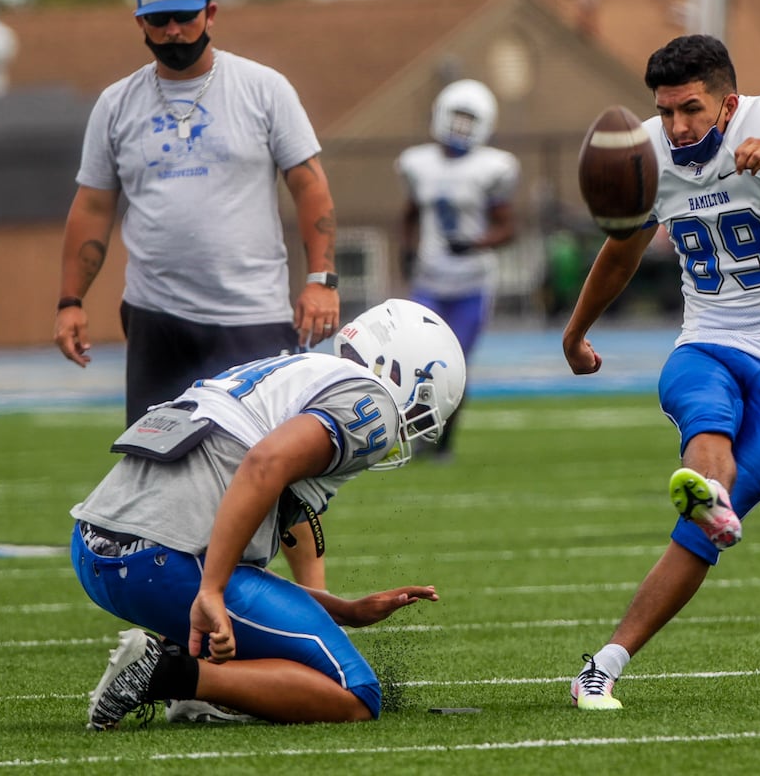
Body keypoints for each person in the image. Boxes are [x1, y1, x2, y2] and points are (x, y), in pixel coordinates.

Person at [562, 34, 760, 710]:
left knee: (700, 537)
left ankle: (605, 660)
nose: (678, 126)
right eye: (666, 111)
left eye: (691, 109)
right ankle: (710, 494)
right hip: (708, 340)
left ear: (729, 102)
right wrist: (576, 330)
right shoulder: (651, 152)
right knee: (703, 414)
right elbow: (622, 249)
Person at [53, 0, 340, 586]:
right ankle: (168, 613)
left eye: (186, 15)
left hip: (252, 312)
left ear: (211, 12)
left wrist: (321, 278)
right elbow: (94, 204)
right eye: (160, 20)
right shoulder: (117, 102)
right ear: (141, 24)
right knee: (155, 464)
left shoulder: (264, 88)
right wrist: (70, 300)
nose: (175, 30)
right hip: (157, 314)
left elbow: (309, 185)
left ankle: (315, 598)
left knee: (276, 465)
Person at [72, 299, 466, 731]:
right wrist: (211, 590)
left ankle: (185, 674)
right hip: (163, 563)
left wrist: (345, 610)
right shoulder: (370, 403)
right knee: (356, 695)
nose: (403, 427)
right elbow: (265, 463)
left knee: (238, 582)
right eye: (415, 412)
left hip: (97, 552)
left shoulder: (294, 371)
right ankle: (169, 675)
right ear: (401, 374)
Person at [396, 78, 520, 460]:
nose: (461, 127)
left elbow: (507, 228)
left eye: (470, 119)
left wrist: (476, 243)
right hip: (430, 280)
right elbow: (411, 213)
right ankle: (413, 433)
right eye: (457, 117)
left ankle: (442, 443)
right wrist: (407, 248)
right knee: (416, 362)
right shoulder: (419, 164)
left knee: (454, 366)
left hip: (471, 283)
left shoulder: (492, 167)